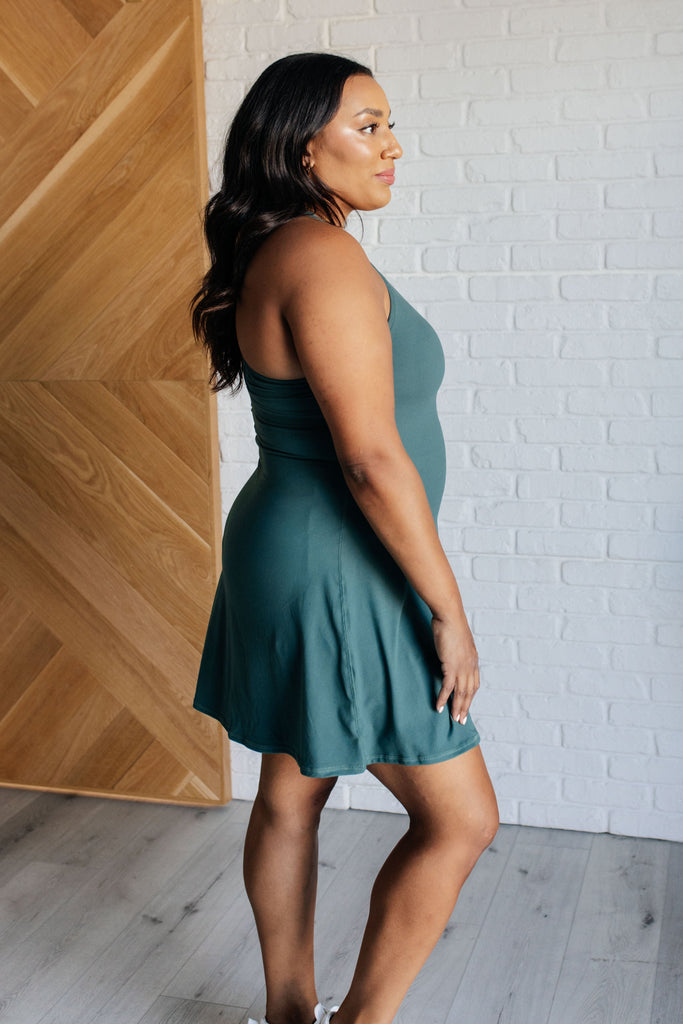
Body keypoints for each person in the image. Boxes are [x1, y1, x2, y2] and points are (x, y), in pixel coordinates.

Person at [191, 52, 498, 1024]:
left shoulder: (288, 246)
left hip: (294, 548)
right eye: (367, 126)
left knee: (293, 787)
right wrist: (447, 612)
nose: (391, 145)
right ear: (299, 147)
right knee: (460, 818)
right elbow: (368, 458)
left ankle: (290, 1015)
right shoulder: (318, 256)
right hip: (337, 564)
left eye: (388, 123)